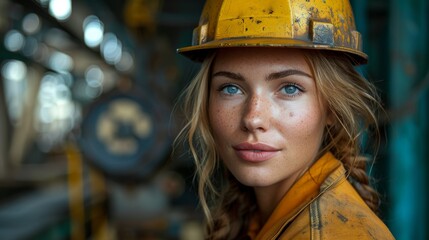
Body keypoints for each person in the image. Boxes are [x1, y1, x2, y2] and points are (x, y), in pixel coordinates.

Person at [176, 0, 395, 239]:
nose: (253, 118)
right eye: (230, 88)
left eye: (290, 89)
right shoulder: (261, 217)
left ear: (332, 108)